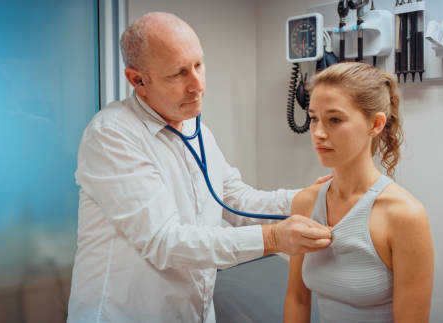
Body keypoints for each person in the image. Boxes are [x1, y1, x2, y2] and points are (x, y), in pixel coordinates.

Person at [67, 12, 332, 323]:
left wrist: (312, 197)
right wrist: (273, 238)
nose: (197, 85)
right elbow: (164, 241)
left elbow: (237, 201)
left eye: (198, 65)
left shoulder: (196, 130)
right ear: (137, 80)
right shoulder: (112, 135)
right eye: (178, 74)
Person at [283, 62, 434, 323]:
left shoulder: (404, 216)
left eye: (334, 120)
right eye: (314, 118)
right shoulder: (305, 203)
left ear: (375, 124)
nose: (318, 133)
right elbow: (297, 298)